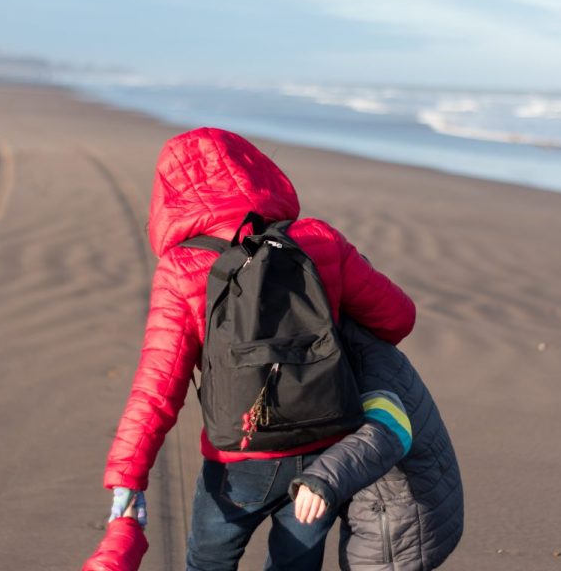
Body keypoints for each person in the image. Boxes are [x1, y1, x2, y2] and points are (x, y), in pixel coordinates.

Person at [102, 127, 416, 570]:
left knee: (208, 561)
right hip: (323, 446)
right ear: (258, 170)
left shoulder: (183, 268)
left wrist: (127, 477)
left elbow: (157, 386)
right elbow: (398, 316)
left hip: (238, 456)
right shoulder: (318, 239)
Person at [289, 319, 464, 570]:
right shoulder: (366, 344)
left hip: (399, 523)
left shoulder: (357, 365)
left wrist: (322, 480)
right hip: (420, 506)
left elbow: (387, 432)